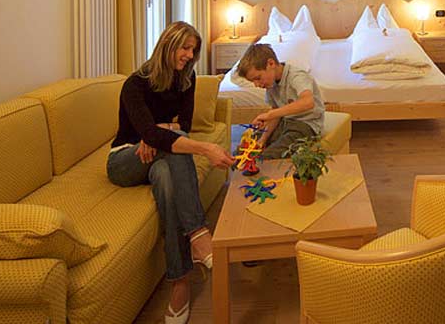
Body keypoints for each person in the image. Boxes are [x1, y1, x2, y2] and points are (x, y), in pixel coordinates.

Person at [106, 21, 234, 324]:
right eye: (185, 48)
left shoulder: (186, 80)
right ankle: (199, 234)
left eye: (193, 50)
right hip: (125, 160)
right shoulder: (135, 84)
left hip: (158, 157)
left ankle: (180, 283)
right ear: (168, 45)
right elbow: (156, 133)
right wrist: (202, 147)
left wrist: (157, 133)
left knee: (166, 176)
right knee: (177, 145)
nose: (189, 56)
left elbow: (183, 125)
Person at [235, 44, 324, 159]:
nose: (257, 85)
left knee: (269, 156)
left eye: (258, 78)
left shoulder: (297, 76)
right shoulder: (271, 84)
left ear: (271, 64)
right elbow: (276, 115)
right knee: (244, 149)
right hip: (285, 122)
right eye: (253, 81)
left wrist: (271, 114)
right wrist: (262, 140)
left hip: (305, 124)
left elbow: (308, 102)